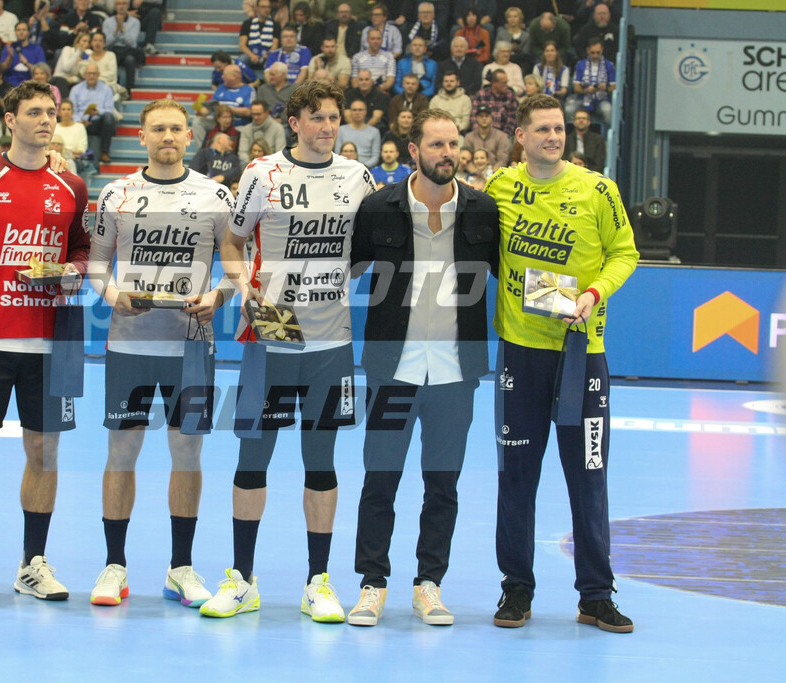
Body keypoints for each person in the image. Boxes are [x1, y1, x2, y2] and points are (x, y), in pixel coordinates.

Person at [200, 80, 376, 622]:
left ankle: (317, 582)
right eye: (317, 118)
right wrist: (242, 283)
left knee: (319, 462)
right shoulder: (260, 174)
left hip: (331, 343)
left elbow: (367, 251)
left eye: (334, 119)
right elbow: (232, 241)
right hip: (272, 336)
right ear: (294, 122)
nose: (327, 128)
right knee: (254, 457)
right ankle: (242, 579)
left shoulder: (358, 178)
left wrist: (334, 282)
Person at [484, 93, 638, 634]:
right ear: (520, 136)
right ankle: (516, 590)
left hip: (581, 355)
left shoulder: (599, 190)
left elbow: (626, 252)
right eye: (543, 129)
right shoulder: (501, 187)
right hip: (521, 353)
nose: (554, 137)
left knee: (589, 478)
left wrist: (594, 293)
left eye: (560, 129)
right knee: (516, 478)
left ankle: (596, 594)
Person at [346, 108, 499, 627]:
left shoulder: (483, 209)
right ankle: (372, 584)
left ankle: (429, 583)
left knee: (443, 483)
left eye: (453, 144)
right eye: (436, 145)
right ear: (413, 151)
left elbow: (515, 274)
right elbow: (344, 268)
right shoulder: (378, 208)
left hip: (456, 374)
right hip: (393, 369)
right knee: (379, 480)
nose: (446, 154)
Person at [0, 81, 90, 603]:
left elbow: (86, 254)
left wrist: (65, 269)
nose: (46, 120)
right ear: (10, 120)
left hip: (51, 342)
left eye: (51, 112)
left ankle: (32, 564)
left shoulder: (73, 186)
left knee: (44, 452)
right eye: (34, 112)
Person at [86, 98, 234, 609]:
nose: (167, 136)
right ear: (141, 137)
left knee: (186, 454)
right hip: (130, 343)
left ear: (189, 137)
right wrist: (110, 296)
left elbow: (238, 265)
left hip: (191, 346)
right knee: (121, 453)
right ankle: (114, 566)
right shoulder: (116, 194)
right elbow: (96, 265)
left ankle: (181, 568)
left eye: (175, 129)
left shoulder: (215, 195)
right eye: (157, 129)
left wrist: (218, 296)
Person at [70, 61, 117, 164]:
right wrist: (79, 121)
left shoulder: (106, 89)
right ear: (85, 75)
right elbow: (72, 109)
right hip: (81, 123)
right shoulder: (76, 90)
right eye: (89, 73)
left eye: (94, 73)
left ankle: (104, 152)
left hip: (98, 122)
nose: (91, 76)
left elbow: (110, 110)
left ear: (98, 75)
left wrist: (99, 111)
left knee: (108, 118)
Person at [568, 37, 615, 125]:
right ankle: (572, 136)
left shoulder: (609, 65)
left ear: (602, 50)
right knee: (569, 109)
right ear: (587, 50)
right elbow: (576, 88)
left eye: (598, 52)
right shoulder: (580, 64)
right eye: (592, 53)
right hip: (582, 98)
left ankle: (607, 138)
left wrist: (605, 88)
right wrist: (586, 90)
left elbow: (613, 87)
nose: (595, 56)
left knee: (608, 110)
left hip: (602, 99)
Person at [103, 0, 141, 91]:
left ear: (128, 6)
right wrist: (116, 31)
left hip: (128, 51)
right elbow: (106, 43)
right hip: (113, 50)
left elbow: (132, 42)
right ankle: (112, 89)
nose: (121, 6)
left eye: (124, 3)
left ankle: (130, 89)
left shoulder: (135, 22)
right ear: (115, 6)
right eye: (119, 4)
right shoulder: (107, 22)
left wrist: (122, 29)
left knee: (130, 59)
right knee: (111, 57)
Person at [236, 100, 285, 166]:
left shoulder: (278, 128)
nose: (255, 117)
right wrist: (253, 165)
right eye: (253, 114)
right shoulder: (246, 129)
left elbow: (280, 154)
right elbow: (242, 153)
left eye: (258, 114)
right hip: (250, 165)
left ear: (266, 113)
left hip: (270, 165)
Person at [471, 69, 519, 136]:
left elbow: (512, 119)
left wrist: (505, 135)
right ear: (494, 83)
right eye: (504, 83)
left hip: (503, 135)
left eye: (506, 82)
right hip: (482, 134)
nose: (506, 85)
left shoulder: (510, 96)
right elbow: (474, 117)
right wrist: (479, 134)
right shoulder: (481, 95)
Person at [335, 98, 380, 168]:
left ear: (366, 112)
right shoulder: (341, 130)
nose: (357, 112)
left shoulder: (375, 132)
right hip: (344, 167)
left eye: (360, 110)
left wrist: (361, 167)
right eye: (354, 110)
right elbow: (337, 154)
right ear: (350, 112)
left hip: (366, 169)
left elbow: (375, 157)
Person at [350, 28, 395, 94]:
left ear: (381, 40)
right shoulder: (357, 57)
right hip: (362, 92)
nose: (375, 41)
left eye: (378, 39)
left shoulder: (389, 57)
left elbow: (390, 79)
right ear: (368, 40)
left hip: (381, 93)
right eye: (373, 39)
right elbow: (354, 80)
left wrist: (378, 90)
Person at [239, 0, 280, 73]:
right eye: (263, 7)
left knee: (274, 61)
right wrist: (252, 56)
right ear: (257, 8)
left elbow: (275, 46)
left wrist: (267, 55)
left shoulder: (276, 25)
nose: (266, 9)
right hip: (251, 54)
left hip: (267, 55)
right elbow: (242, 45)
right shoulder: (247, 23)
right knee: (241, 60)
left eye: (268, 7)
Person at [1, 21, 46, 88]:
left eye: (24, 30)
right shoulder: (8, 48)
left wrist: (26, 64)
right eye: (18, 30)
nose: (21, 32)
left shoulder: (37, 49)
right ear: (15, 32)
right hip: (10, 84)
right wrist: (10, 58)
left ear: (28, 32)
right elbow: (2, 69)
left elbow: (42, 71)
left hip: (31, 84)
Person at [564, 107, 605, 172]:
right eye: (578, 118)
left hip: (591, 175)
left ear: (589, 122)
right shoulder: (566, 140)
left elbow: (599, 164)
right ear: (574, 122)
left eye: (583, 118)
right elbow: (564, 161)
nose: (581, 120)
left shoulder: (599, 140)